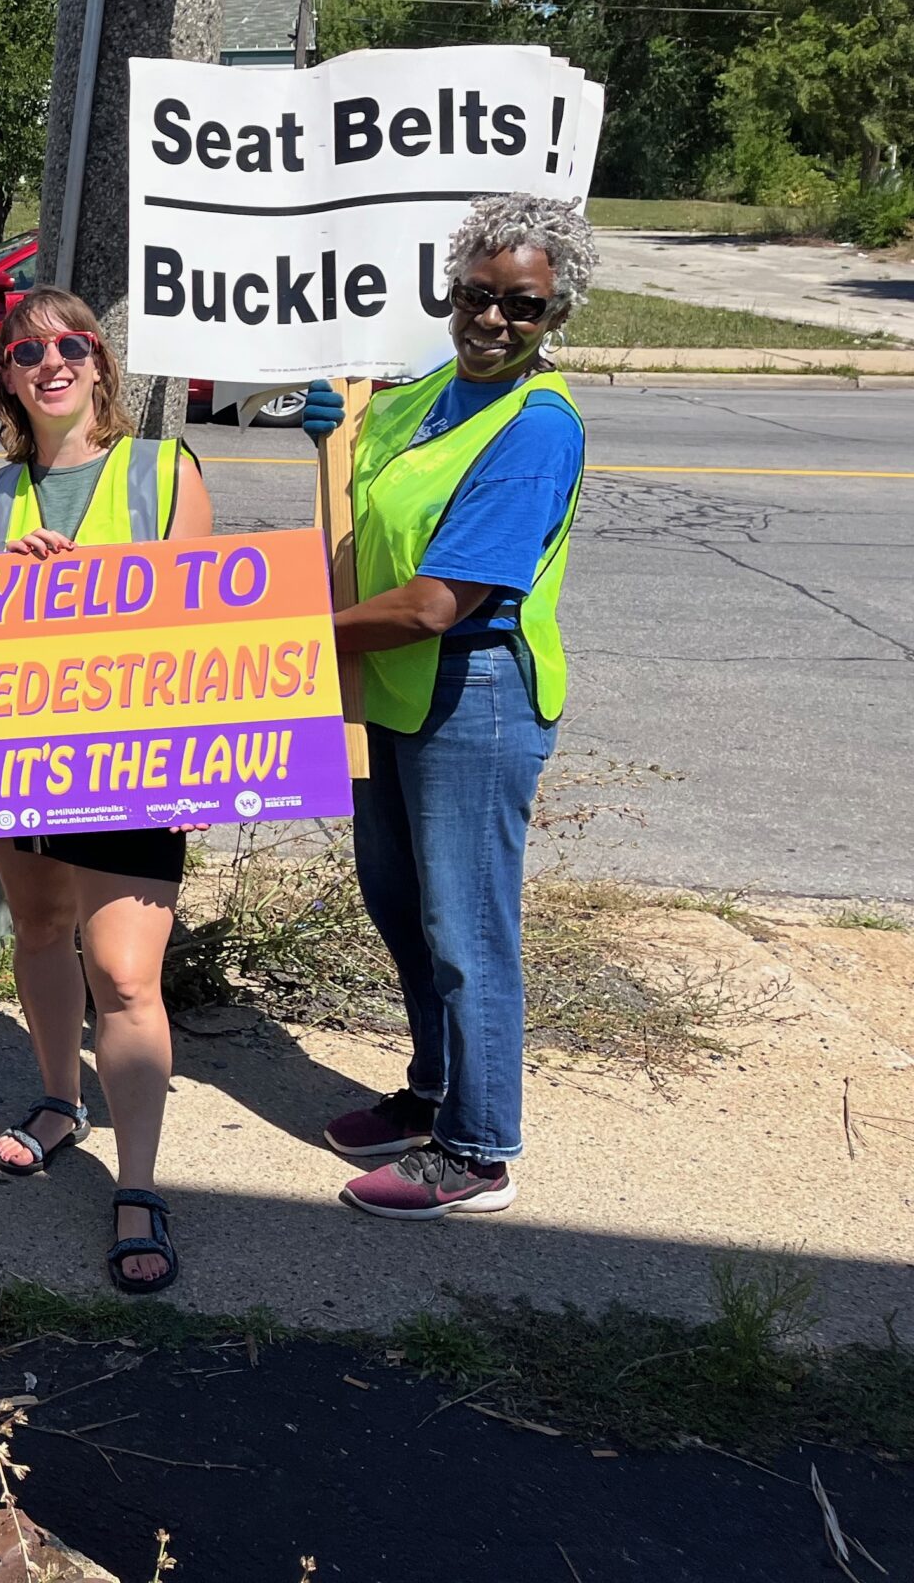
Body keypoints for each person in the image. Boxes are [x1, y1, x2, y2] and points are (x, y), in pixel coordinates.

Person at [304, 193, 591, 1220]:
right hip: (391, 689)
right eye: (477, 296)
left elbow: (433, 604)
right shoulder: (427, 392)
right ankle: (432, 1088)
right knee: (399, 906)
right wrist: (334, 435)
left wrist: (280, 646)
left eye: (523, 308)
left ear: (554, 318)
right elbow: (363, 502)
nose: (493, 322)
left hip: (474, 694)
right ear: (448, 291)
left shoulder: (536, 428)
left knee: (467, 926)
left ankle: (477, 1149)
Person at [0, 289, 213, 1294]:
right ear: (8, 377)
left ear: (102, 363)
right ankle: (58, 1101)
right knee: (36, 933)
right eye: (29, 352)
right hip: (23, 754)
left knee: (122, 975)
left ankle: (139, 1181)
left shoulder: (163, 471)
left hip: (134, 760)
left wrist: (101, 581)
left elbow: (210, 619)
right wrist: (11, 581)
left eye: (72, 346)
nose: (52, 363)